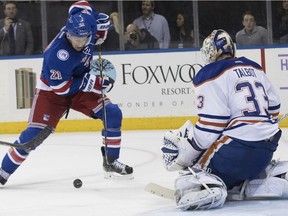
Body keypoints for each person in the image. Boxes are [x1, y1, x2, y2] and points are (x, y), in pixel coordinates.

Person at [0, 0, 133, 186]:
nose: (79, 43)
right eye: (75, 38)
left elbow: (80, 5)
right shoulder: (57, 54)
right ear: (67, 33)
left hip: (79, 86)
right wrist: (93, 83)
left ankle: (110, 161)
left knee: (112, 113)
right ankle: (3, 172)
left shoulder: (88, 23)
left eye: (84, 38)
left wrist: (100, 22)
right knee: (33, 136)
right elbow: (61, 88)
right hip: (53, 92)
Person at [161, 29, 288, 210]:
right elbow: (274, 109)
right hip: (267, 150)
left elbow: (210, 128)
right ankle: (259, 180)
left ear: (212, 52)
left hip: (236, 152)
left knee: (192, 173)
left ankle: (210, 187)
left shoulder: (210, 73)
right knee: (245, 160)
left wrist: (186, 156)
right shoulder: (254, 67)